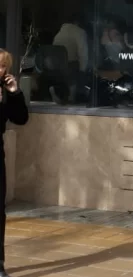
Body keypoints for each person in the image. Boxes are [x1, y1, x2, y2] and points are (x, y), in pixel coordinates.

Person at [0, 49, 30, 277]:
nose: (0, 70)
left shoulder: (5, 90)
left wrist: (15, 93)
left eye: (3, 66)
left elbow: (20, 118)